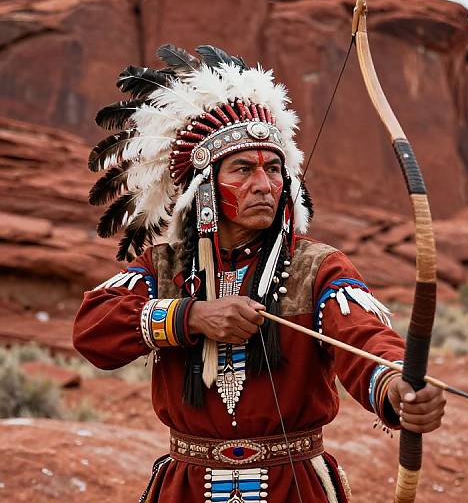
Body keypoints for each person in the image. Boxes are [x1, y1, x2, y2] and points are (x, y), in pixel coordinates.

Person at [73, 44, 446, 503]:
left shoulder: (317, 266)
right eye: (243, 169)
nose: (264, 184)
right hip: (186, 487)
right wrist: (190, 316)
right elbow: (92, 330)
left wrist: (395, 385)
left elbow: (364, 340)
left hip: (294, 487)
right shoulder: (163, 266)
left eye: (274, 169)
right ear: (205, 186)